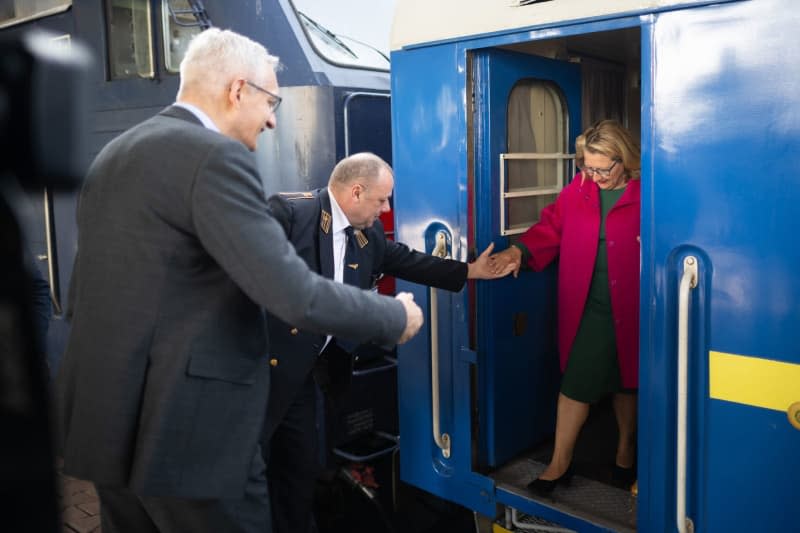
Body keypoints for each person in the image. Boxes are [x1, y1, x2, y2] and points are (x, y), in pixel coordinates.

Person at [53, 29, 423, 533]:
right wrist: (393, 316)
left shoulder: (116, 154)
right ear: (237, 90)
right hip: (188, 432)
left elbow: (90, 292)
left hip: (106, 415)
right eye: (270, 101)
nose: (273, 118)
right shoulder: (213, 157)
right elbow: (290, 291)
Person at [262, 152, 513, 533]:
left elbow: (406, 260)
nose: (387, 207)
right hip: (263, 372)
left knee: (299, 472)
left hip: (309, 377)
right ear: (356, 192)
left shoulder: (368, 233)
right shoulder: (290, 214)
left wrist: (469, 271)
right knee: (248, 471)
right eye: (382, 199)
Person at [490, 120, 641, 495]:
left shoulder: (650, 191)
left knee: (627, 380)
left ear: (624, 160)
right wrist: (518, 251)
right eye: (587, 166)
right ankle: (559, 465)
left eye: (603, 168)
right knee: (575, 382)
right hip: (589, 304)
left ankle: (625, 450)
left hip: (635, 305)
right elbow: (552, 226)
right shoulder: (580, 188)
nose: (594, 175)